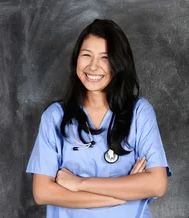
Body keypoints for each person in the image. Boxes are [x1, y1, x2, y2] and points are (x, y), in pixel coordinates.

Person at [26, 19, 172, 217]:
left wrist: (80, 184)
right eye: (86, 55)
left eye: (105, 58)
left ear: (119, 64)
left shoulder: (139, 113)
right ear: (76, 58)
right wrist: (121, 196)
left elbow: (157, 184)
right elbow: (42, 192)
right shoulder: (55, 117)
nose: (93, 66)